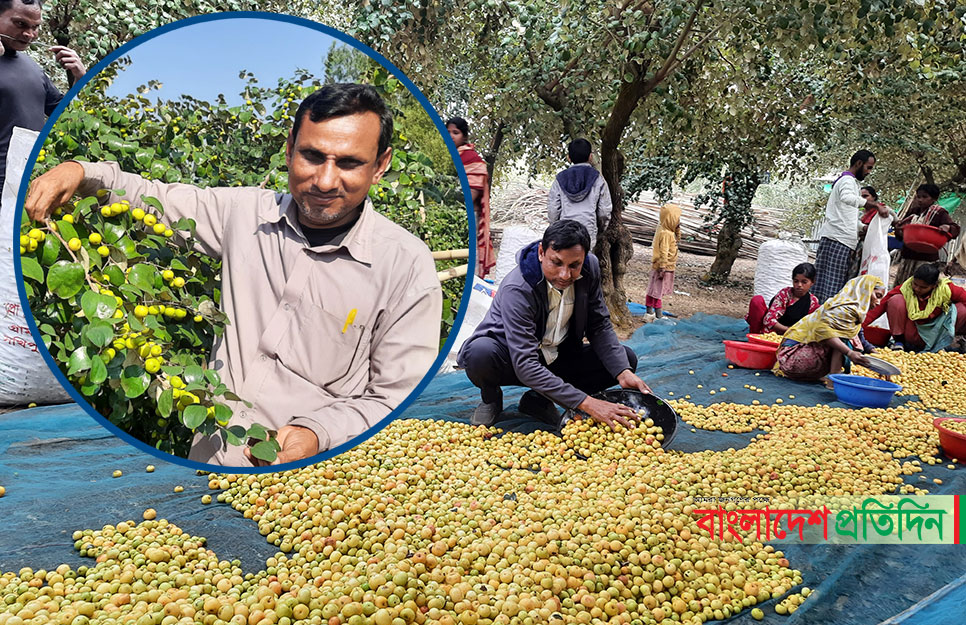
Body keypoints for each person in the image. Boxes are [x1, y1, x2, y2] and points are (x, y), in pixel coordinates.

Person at [25, 84, 442, 467]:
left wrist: (318, 433)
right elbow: (151, 198)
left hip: (320, 480)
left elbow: (397, 398)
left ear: (380, 165)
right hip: (207, 460)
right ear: (289, 150)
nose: (326, 180)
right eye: (312, 156)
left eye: (350, 163)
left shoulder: (405, 267)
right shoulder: (243, 215)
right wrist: (79, 171)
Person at [457, 219, 651, 428]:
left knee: (625, 359)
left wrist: (622, 371)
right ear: (542, 252)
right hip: (512, 359)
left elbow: (599, 325)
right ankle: (491, 398)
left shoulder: (590, 268)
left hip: (558, 355)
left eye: (574, 265)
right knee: (479, 353)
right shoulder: (519, 288)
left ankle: (537, 400)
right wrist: (588, 403)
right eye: (556, 263)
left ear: (584, 258)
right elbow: (526, 364)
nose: (564, 275)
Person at [0, 0, 86, 204]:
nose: (30, 34)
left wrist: (80, 77)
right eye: (20, 24)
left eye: (35, 27)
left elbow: (65, 115)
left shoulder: (33, 69)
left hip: (25, 185)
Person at [774, 275, 885, 386]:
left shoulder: (854, 312)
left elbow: (859, 336)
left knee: (846, 338)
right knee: (842, 341)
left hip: (798, 358)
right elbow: (823, 332)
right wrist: (849, 352)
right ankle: (833, 381)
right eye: (877, 296)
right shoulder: (842, 309)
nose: (879, 302)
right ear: (865, 290)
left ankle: (829, 376)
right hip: (791, 357)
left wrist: (877, 361)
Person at [812, 150, 890, 302]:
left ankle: (816, 317)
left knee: (823, 283)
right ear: (859, 163)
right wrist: (874, 205)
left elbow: (846, 217)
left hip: (835, 238)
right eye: (868, 167)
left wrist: (863, 228)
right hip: (838, 240)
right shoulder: (847, 181)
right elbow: (847, 198)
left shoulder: (848, 181)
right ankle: (825, 319)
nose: (868, 172)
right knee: (833, 286)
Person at [864, 263, 966, 352]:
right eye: (915, 284)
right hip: (912, 331)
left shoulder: (947, 289)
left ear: (934, 286)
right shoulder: (906, 288)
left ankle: (940, 345)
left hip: (936, 332)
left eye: (923, 287)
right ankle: (899, 343)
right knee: (896, 300)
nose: (917, 289)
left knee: (961, 310)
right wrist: (856, 328)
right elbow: (878, 307)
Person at [446, 117, 495, 278]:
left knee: (471, 265)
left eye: (456, 133)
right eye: (448, 132)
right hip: (453, 215)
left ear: (465, 136)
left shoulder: (472, 159)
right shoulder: (451, 157)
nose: (451, 136)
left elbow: (471, 193)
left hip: (470, 216)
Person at [547, 138, 613, 248]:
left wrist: (555, 228)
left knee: (567, 262)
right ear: (590, 157)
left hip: (564, 231)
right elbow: (604, 212)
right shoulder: (598, 179)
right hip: (588, 231)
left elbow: (553, 210)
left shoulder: (560, 179)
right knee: (585, 262)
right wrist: (600, 228)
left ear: (568, 158)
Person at [893, 184, 961, 287]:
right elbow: (903, 232)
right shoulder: (913, 212)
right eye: (918, 197)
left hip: (927, 259)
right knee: (903, 287)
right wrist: (899, 230)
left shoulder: (939, 213)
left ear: (934, 198)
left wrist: (947, 227)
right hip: (908, 256)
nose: (920, 200)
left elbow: (955, 229)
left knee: (922, 288)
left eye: (924, 197)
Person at [746, 263, 820, 335]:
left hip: (795, 337)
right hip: (771, 332)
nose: (799, 285)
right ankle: (754, 335)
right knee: (757, 301)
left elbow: (811, 325)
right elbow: (768, 320)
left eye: (804, 282)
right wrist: (788, 330)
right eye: (796, 281)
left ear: (812, 282)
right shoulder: (784, 294)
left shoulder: (812, 302)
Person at [645, 204, 680, 319]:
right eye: (676, 218)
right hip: (663, 267)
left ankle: (649, 313)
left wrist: (678, 228)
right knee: (657, 291)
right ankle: (658, 315)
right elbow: (664, 251)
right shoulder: (666, 234)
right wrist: (663, 267)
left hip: (659, 265)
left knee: (653, 289)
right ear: (671, 219)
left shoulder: (664, 230)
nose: (678, 221)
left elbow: (678, 239)